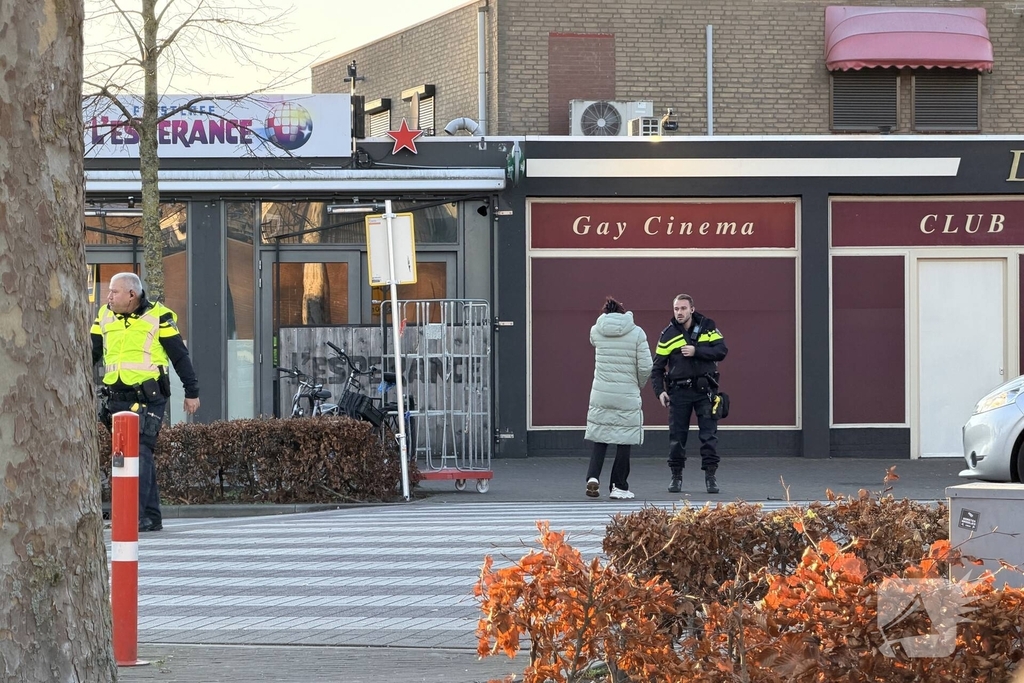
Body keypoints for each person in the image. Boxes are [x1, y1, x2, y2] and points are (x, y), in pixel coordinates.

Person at [92, 272, 200, 532]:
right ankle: (151, 517)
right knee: (132, 455)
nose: (108, 297)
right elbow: (91, 352)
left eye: (114, 292)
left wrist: (191, 391)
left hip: (149, 398)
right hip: (116, 398)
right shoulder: (104, 316)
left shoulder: (159, 317)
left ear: (132, 294)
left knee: (139, 452)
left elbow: (180, 356)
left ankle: (134, 517)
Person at [651, 294, 728, 494]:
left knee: (709, 437)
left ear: (691, 309)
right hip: (679, 392)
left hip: (705, 391)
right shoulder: (668, 334)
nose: (679, 312)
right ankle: (676, 477)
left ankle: (711, 477)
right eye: (676, 309)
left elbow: (721, 350)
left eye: (683, 308)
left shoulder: (708, 327)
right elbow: (657, 368)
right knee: (677, 438)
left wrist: (697, 351)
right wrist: (659, 392)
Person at [584, 297, 653, 499]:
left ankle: (593, 477)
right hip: (626, 393)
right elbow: (646, 366)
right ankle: (619, 486)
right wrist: (638, 383)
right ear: (625, 312)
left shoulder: (596, 330)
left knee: (600, 435)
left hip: (601, 392)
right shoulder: (637, 333)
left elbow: (593, 341)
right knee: (624, 439)